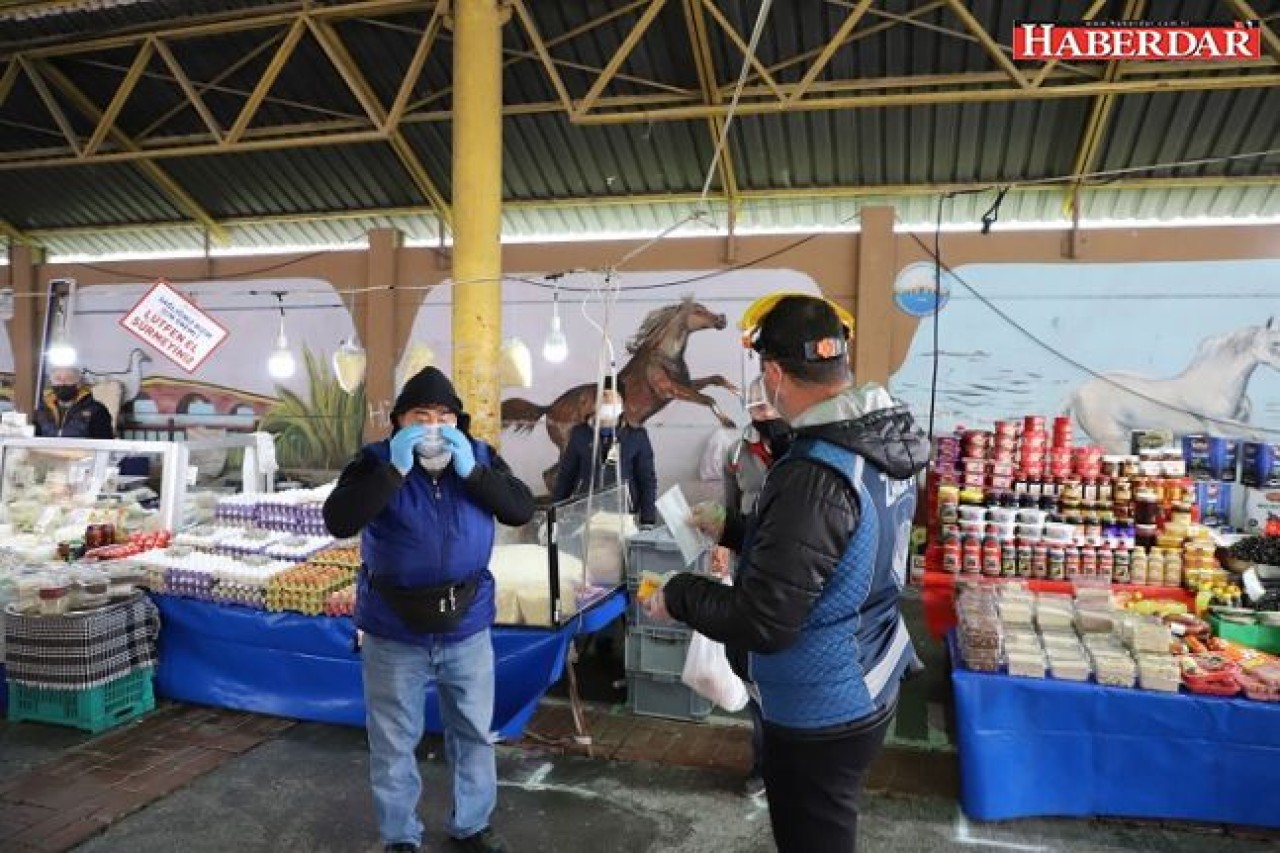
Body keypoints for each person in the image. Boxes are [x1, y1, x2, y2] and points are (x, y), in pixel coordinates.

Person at [647, 294, 928, 853]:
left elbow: (765, 619)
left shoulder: (816, 471)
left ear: (774, 373)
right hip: (870, 672)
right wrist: (733, 529)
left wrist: (678, 595)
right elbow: (832, 554)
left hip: (823, 704)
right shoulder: (878, 444)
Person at [323, 366, 534, 853]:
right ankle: (400, 837)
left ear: (459, 423)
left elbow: (520, 509)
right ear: (398, 421)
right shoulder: (374, 461)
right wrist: (393, 472)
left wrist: (475, 473)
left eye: (445, 416)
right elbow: (339, 519)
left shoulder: (479, 457)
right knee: (394, 739)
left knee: (474, 733)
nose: (434, 426)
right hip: (392, 627)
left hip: (468, 624)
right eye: (422, 415)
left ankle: (473, 825)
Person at [689, 378, 794, 800]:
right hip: (752, 569)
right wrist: (721, 557)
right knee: (757, 681)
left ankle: (796, 766)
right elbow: (729, 510)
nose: (763, 414)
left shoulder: (806, 450)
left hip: (795, 572)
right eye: (756, 407)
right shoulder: (738, 452)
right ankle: (763, 767)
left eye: (769, 406)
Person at [551, 375, 657, 527]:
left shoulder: (635, 435)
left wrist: (648, 520)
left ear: (622, 403)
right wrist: (555, 514)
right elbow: (566, 477)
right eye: (603, 397)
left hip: (622, 514)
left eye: (612, 397)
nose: (607, 401)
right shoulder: (580, 433)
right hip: (586, 513)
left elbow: (647, 480)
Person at [34, 366, 114, 439]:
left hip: (84, 454)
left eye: (69, 379)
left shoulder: (97, 410)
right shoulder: (42, 410)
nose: (62, 383)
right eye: (58, 379)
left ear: (79, 384)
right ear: (51, 383)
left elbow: (105, 443)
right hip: (48, 454)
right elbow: (34, 438)